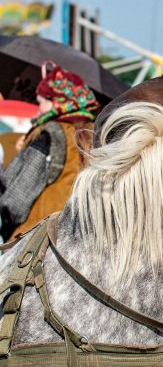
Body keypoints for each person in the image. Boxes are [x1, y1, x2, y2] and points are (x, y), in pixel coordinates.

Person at [0, 62, 100, 240]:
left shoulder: (50, 134)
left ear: (56, 103)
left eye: (41, 103)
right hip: (75, 241)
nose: (39, 109)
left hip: (33, 242)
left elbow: (15, 202)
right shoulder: (96, 136)